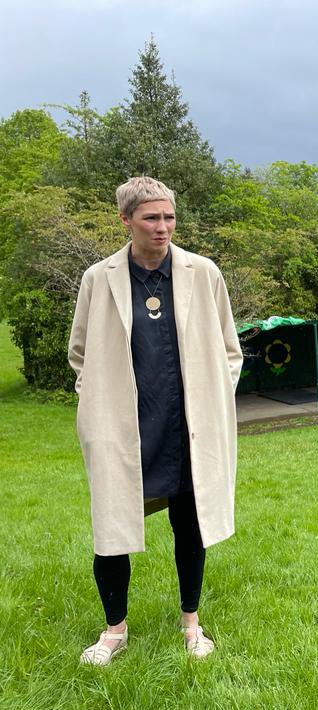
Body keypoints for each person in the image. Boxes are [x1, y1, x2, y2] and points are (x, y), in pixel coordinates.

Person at [68, 176, 243, 665]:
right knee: (112, 527)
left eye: (168, 217)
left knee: (190, 523)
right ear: (126, 220)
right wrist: (94, 402)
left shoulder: (203, 273)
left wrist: (213, 399)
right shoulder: (98, 278)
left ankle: (192, 624)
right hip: (124, 427)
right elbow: (80, 353)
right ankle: (114, 631)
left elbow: (230, 350)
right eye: (151, 217)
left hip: (188, 425)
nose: (162, 227)